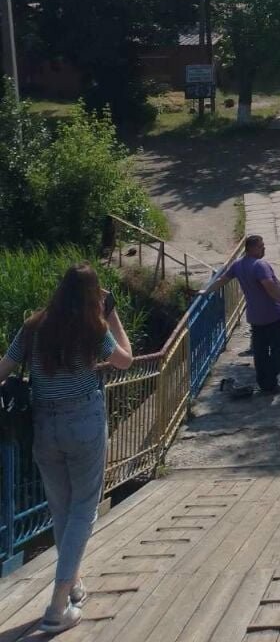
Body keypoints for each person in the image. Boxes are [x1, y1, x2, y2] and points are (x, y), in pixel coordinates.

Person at [0, 264, 133, 634]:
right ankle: (58, 607)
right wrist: (112, 315)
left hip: (45, 426)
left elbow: (4, 368)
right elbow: (126, 360)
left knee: (61, 510)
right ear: (92, 295)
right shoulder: (93, 327)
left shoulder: (34, 327)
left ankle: (73, 584)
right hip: (84, 424)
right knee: (83, 510)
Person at [214, 235, 280, 395]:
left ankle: (264, 381)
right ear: (250, 249)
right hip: (272, 314)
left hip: (255, 317)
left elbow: (223, 279)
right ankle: (269, 382)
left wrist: (204, 291)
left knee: (260, 351)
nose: (264, 248)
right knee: (279, 348)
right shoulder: (260, 265)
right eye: (260, 246)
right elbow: (270, 287)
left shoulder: (238, 265)